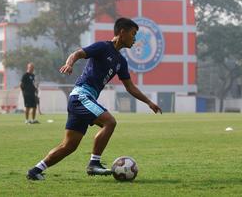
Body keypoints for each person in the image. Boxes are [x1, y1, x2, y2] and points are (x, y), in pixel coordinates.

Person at [26, 18, 162, 181]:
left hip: (82, 98)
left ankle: (35, 170)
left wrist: (148, 102)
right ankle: (94, 164)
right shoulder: (103, 47)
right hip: (81, 95)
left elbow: (130, 87)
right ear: (122, 32)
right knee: (109, 122)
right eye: (133, 34)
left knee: (69, 146)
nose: (135, 39)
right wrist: (69, 64)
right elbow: (77, 53)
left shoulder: (121, 61)